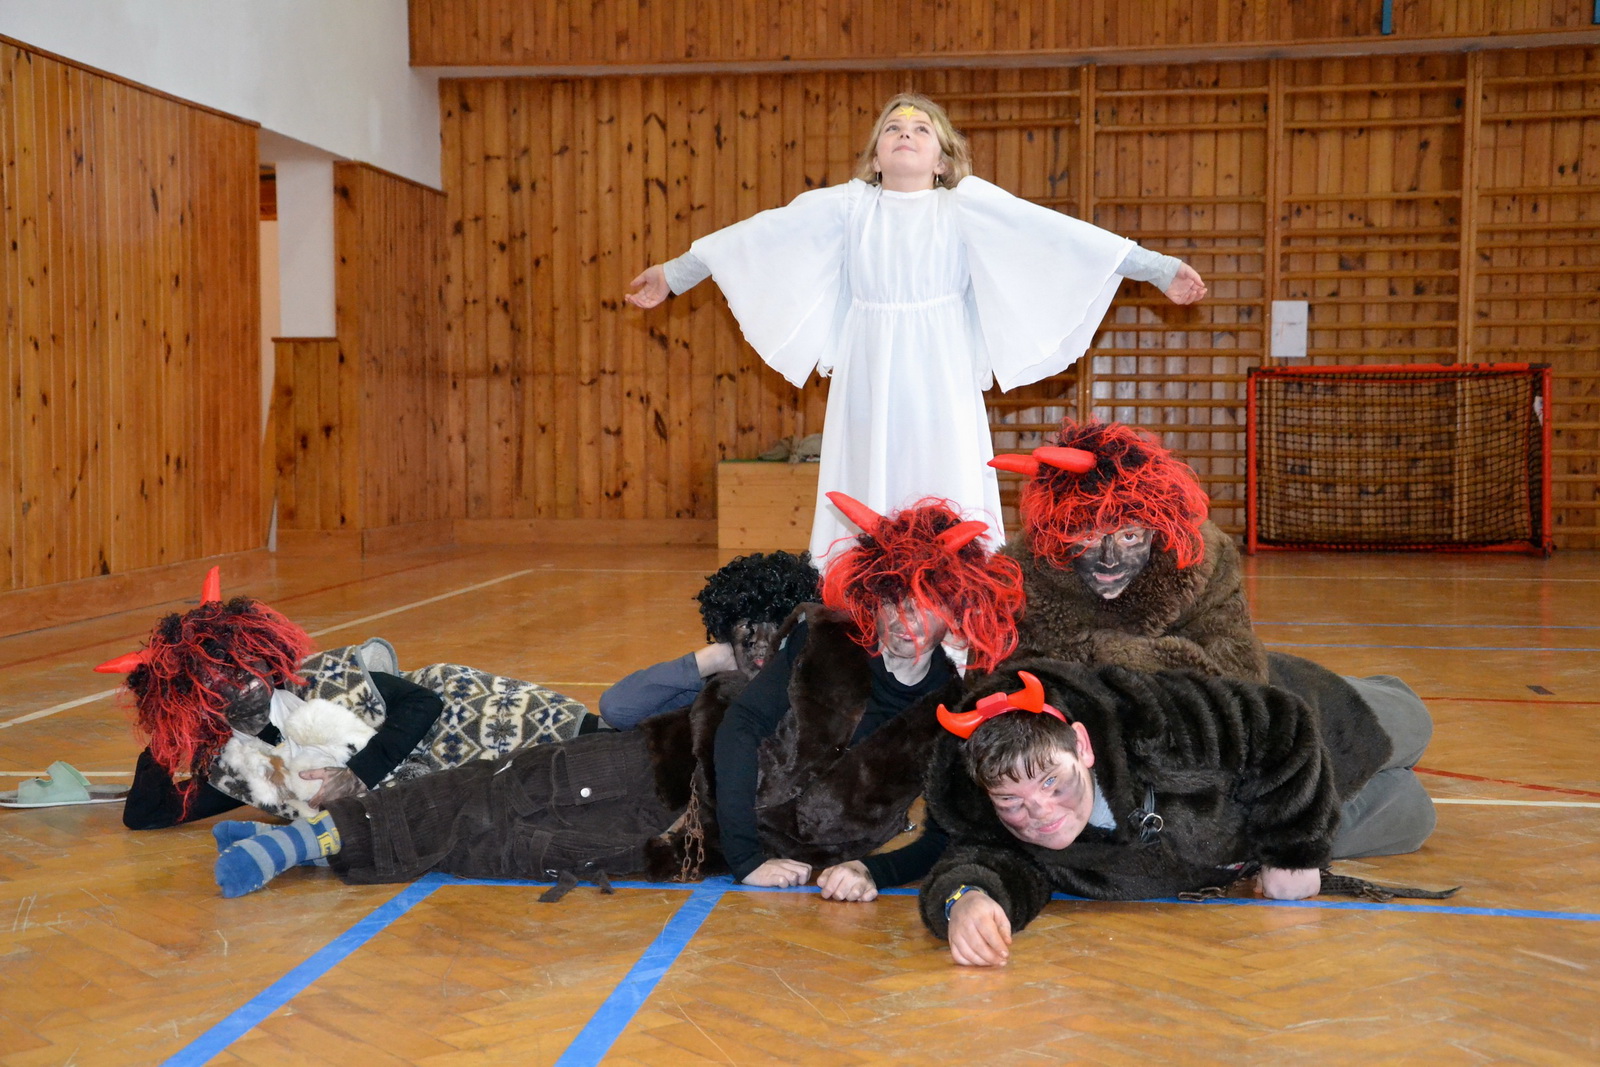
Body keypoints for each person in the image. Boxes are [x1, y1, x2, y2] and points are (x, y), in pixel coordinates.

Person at [209, 495, 1025, 901]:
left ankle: (326, 842)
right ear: (872, 595)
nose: (905, 624)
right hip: (671, 760)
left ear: (954, 611)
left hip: (698, 846)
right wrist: (750, 855)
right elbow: (741, 729)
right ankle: (308, 837)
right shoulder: (823, 637)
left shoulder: (949, 709)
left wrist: (870, 871)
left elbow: (946, 830)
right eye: (893, 603)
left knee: (518, 846)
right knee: (516, 782)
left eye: (926, 607)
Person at [625, 93, 1208, 567]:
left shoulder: (963, 205)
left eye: (921, 129)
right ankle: (856, 596)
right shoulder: (850, 207)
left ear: (943, 162)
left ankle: (962, 592)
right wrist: (674, 275)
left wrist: (1158, 269)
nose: (905, 133)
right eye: (893, 128)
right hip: (868, 365)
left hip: (940, 365)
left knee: (943, 473)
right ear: (876, 159)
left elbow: (1058, 235)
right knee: (867, 476)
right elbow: (758, 236)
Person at [917, 661, 1443, 967]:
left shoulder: (1152, 722)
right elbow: (978, 866)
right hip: (1249, 838)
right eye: (1011, 801)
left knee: (1413, 725)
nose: (1039, 813)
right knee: (1417, 819)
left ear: (1082, 747)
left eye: (1052, 782)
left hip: (1312, 730)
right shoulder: (1006, 826)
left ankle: (1381, 698)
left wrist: (1293, 851)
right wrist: (965, 901)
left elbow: (1281, 721)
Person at [104, 568, 591, 829]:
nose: (242, 677)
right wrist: (165, 743)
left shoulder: (321, 677)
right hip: (439, 786)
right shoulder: (232, 767)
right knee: (564, 782)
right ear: (193, 699)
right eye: (218, 676)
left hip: (458, 711)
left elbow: (423, 703)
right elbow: (148, 815)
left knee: (589, 735)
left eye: (244, 660)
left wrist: (357, 775)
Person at [990, 419, 1268, 683]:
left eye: (1129, 536)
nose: (1109, 561)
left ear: (1156, 532)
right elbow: (1000, 676)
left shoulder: (1204, 560)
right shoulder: (1020, 572)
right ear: (1058, 535)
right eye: (1089, 537)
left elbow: (1240, 675)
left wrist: (1097, 653)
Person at [598, 550, 819, 730]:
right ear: (726, 631)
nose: (761, 641)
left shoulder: (809, 686)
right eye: (746, 626)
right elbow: (616, 710)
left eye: (776, 625)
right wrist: (708, 661)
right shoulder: (712, 688)